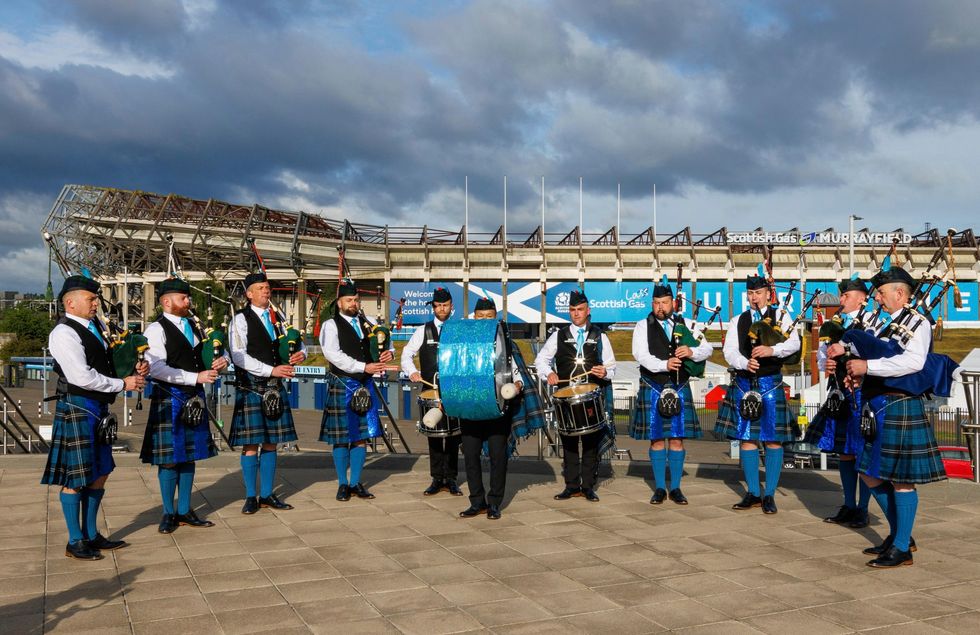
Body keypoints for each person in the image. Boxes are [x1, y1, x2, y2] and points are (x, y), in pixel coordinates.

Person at [830, 263, 946, 568]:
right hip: (877, 403)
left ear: (899, 292)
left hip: (901, 405)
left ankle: (902, 547)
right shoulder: (884, 324)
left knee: (901, 480)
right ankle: (899, 536)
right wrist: (856, 375)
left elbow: (914, 362)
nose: (877, 298)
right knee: (868, 471)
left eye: (881, 293)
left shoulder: (918, 323)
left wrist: (868, 368)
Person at [42, 275, 147, 560]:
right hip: (77, 406)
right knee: (76, 477)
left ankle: (91, 534)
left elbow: (108, 363)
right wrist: (122, 384)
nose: (95, 303)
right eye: (90, 299)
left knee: (100, 472)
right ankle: (75, 541)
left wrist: (133, 368)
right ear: (70, 302)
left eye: (95, 298)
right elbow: (81, 376)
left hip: (97, 408)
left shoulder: (97, 326)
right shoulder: (64, 332)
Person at [141, 278, 226, 533]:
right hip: (170, 396)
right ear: (166, 302)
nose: (188, 302)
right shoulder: (155, 330)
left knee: (189, 456)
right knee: (169, 459)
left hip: (194, 396)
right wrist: (195, 377)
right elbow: (156, 368)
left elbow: (215, 352)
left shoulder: (196, 326)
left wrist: (222, 361)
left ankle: (185, 510)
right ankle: (169, 513)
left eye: (188, 298)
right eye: (183, 298)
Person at [715, 270, 800, 514]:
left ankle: (769, 494)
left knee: (773, 439)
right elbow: (729, 350)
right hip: (744, 383)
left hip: (770, 383)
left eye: (759, 293)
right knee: (747, 439)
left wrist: (772, 351)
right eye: (751, 293)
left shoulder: (781, 316)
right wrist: (744, 363)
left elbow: (795, 343)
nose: (755, 298)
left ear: (768, 294)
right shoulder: (738, 320)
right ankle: (753, 492)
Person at [630, 277, 712, 505]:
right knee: (656, 439)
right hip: (653, 385)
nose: (660, 307)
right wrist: (663, 365)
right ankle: (658, 488)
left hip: (680, 386)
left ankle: (675, 488)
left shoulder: (687, 324)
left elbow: (707, 349)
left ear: (673, 303)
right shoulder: (642, 326)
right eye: (656, 303)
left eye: (664, 302)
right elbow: (641, 355)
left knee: (677, 440)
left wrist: (691, 352)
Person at [229, 272, 305, 514]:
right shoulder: (240, 320)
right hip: (252, 386)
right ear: (249, 294)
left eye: (267, 287)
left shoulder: (279, 318)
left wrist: (299, 354)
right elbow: (238, 356)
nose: (266, 291)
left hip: (275, 386)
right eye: (260, 288)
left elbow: (297, 342)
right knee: (251, 444)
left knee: (272, 442)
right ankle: (251, 496)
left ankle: (268, 494)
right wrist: (272, 369)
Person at [534, 290, 616, 502]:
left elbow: (612, 367)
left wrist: (605, 372)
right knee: (568, 442)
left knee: (590, 443)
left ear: (588, 311)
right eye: (572, 310)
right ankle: (571, 485)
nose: (576, 313)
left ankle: (588, 486)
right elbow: (540, 361)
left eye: (580, 310)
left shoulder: (600, 336)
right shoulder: (558, 335)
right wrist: (549, 373)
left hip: (590, 398)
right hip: (566, 397)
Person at [805, 275, 872, 528]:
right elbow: (823, 359)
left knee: (861, 453)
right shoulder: (836, 325)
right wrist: (828, 363)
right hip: (839, 395)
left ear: (862, 298)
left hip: (863, 395)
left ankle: (863, 509)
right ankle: (849, 504)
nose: (842, 300)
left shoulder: (873, 324)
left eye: (846, 296)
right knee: (844, 453)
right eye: (842, 295)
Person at [319, 280, 394, 501]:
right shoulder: (330, 325)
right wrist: (363, 366)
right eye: (349, 300)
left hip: (364, 384)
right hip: (343, 384)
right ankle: (343, 483)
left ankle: (356, 483)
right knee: (342, 438)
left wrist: (388, 353)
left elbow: (385, 342)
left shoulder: (368, 322)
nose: (353, 303)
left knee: (361, 436)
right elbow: (333, 355)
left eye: (355, 300)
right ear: (339, 302)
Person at [458, 296, 525, 520]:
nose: (484, 320)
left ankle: (495, 502)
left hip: (497, 407)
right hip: (470, 406)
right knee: (470, 455)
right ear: (474, 317)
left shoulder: (504, 340)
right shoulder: (462, 342)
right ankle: (477, 502)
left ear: (495, 317)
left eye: (489, 316)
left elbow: (516, 373)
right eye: (480, 316)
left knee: (498, 456)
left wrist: (516, 385)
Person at [401, 287, 462, 496]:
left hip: (453, 391)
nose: (441, 309)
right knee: (434, 436)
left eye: (445, 305)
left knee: (454, 436)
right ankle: (437, 479)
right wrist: (412, 372)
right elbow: (406, 354)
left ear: (451, 306)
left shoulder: (458, 328)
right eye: (437, 305)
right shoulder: (423, 330)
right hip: (430, 390)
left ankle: (452, 478)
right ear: (433, 307)